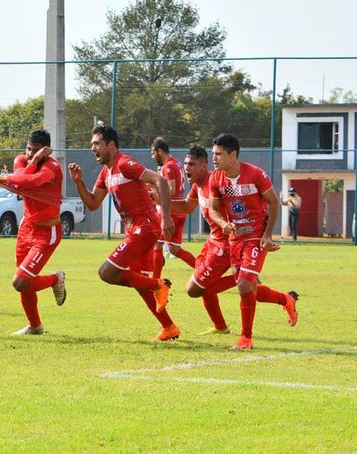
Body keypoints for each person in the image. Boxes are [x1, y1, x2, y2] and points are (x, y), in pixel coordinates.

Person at [69, 125, 180, 341]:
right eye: (91, 144)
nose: (93, 148)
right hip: (134, 230)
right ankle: (169, 327)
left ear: (110, 145)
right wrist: (78, 182)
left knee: (106, 272)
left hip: (145, 228)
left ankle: (158, 284)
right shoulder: (106, 172)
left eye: (96, 144)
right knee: (139, 283)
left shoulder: (125, 163)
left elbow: (162, 181)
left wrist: (166, 217)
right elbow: (92, 203)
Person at [172, 145, 299, 335]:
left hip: (226, 245)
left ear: (204, 165)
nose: (186, 168)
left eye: (191, 164)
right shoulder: (198, 185)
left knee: (199, 288)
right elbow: (186, 206)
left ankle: (231, 321)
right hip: (212, 243)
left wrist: (263, 230)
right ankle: (281, 299)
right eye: (185, 164)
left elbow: (249, 204)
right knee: (235, 287)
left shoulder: (217, 180)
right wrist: (158, 201)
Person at [208, 133, 299, 350]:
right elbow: (213, 209)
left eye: (218, 154)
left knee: (244, 285)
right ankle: (286, 299)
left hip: (256, 237)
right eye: (213, 154)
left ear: (233, 155)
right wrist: (222, 223)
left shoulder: (256, 174)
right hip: (235, 239)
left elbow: (274, 204)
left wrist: (267, 235)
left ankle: (245, 338)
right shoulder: (215, 179)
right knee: (251, 291)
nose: (214, 159)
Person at [0, 129, 66, 336]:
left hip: (47, 233)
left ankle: (56, 279)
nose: (30, 154)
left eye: (36, 151)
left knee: (20, 281)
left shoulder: (52, 167)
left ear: (46, 151)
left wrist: (2, 178)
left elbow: (33, 182)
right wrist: (30, 161)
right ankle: (35, 326)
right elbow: (19, 179)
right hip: (26, 229)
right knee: (24, 283)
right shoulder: (21, 160)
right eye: (28, 149)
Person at [150, 137, 196, 279]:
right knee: (174, 249)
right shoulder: (177, 163)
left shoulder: (168, 166)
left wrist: (152, 190)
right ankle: (205, 271)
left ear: (160, 151)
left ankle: (155, 281)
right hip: (179, 211)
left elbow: (170, 189)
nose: (152, 157)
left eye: (153, 153)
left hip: (170, 212)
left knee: (156, 245)